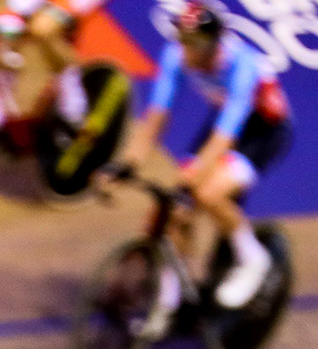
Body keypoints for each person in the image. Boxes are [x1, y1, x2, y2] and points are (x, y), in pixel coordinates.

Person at [119, 0, 293, 320]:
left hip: (262, 131)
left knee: (206, 192)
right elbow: (156, 117)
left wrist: (194, 177)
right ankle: (168, 299)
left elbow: (224, 139)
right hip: (223, 122)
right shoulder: (177, 55)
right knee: (174, 210)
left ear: (214, 44)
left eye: (194, 44)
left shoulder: (243, 66)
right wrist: (128, 162)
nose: (185, 51)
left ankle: (253, 258)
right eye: (182, 41)